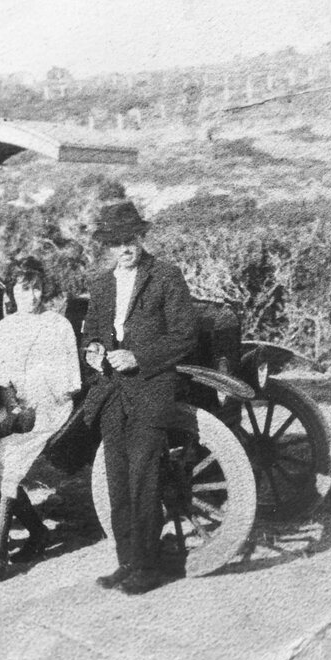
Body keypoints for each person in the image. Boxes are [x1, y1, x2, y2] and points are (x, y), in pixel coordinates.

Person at [82, 200, 196, 594]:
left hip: (150, 389)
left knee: (144, 478)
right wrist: (93, 349)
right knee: (117, 480)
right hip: (112, 393)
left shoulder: (165, 276)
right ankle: (127, 561)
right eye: (117, 241)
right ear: (108, 246)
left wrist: (139, 357)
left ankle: (148, 567)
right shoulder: (101, 284)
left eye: (130, 238)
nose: (125, 247)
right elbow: (91, 332)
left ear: (140, 237)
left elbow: (184, 335)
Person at [0, 257, 81, 581]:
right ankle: (37, 532)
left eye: (37, 287)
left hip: (53, 407)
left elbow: (70, 383)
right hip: (19, 410)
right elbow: (3, 384)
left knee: (7, 458)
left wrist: (38, 402)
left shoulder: (58, 325)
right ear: (11, 292)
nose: (33, 295)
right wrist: (14, 410)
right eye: (25, 288)